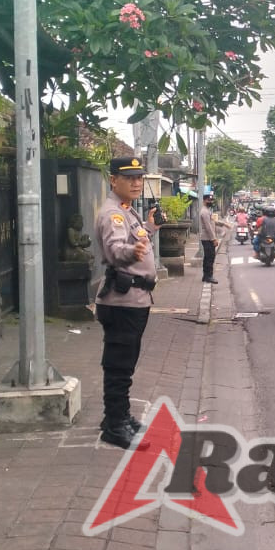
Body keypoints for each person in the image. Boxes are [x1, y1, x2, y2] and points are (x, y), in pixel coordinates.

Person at [94, 156, 162, 450]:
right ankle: (115, 424)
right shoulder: (113, 214)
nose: (136, 182)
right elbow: (114, 248)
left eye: (139, 177)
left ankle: (119, 416)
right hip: (123, 301)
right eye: (129, 177)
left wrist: (149, 228)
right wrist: (131, 252)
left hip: (133, 299)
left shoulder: (126, 210)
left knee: (125, 363)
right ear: (113, 180)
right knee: (119, 365)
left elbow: (135, 238)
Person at [199, 193, 223, 284]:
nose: (211, 202)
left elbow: (213, 222)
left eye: (211, 200)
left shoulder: (208, 210)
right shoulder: (204, 212)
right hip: (207, 238)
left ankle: (206, 276)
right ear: (204, 200)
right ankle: (209, 276)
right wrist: (214, 239)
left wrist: (224, 225)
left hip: (208, 238)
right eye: (209, 200)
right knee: (210, 257)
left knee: (208, 257)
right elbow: (208, 227)